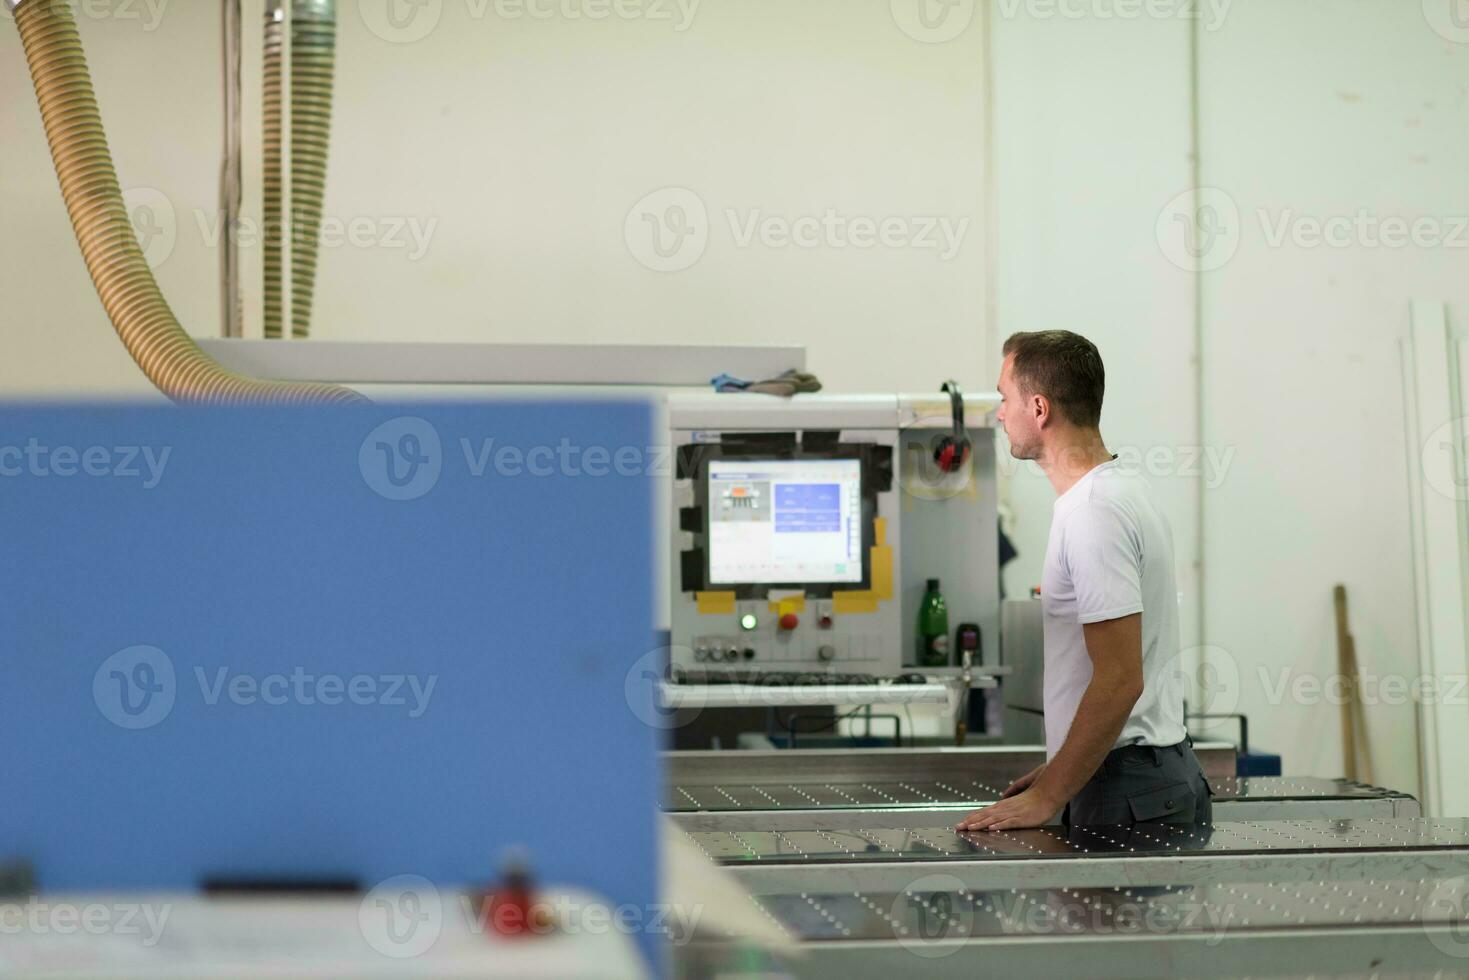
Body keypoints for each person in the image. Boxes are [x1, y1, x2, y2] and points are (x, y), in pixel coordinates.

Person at [956, 330, 1211, 831]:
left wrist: (1049, 795)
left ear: (1039, 408)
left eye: (1004, 399)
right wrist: (1064, 768)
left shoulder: (1094, 512)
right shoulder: (1118, 492)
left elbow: (1120, 679)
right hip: (1130, 774)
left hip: (1129, 787)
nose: (1000, 413)